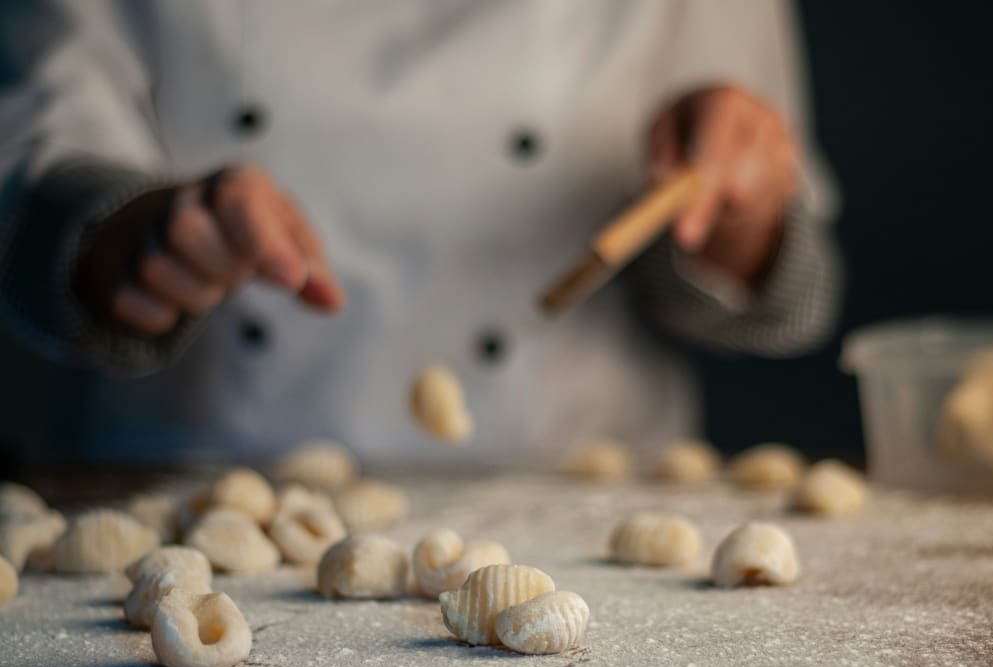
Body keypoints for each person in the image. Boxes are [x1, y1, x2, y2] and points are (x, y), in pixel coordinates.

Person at [0, 1, 842, 465]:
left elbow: (790, 295)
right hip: (203, 485)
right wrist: (142, 240)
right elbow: (35, 188)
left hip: (582, 491)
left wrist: (735, 218)